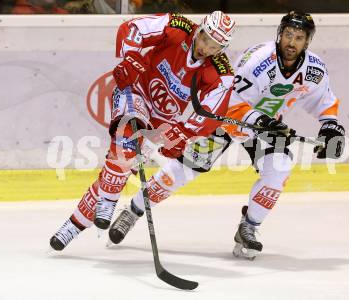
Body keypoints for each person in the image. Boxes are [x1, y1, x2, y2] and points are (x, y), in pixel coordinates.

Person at [107, 10, 345, 260]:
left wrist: (330, 127)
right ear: (280, 34)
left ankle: (249, 228)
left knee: (280, 167)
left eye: (298, 38)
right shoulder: (259, 60)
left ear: (307, 42)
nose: (291, 42)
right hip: (226, 121)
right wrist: (258, 120)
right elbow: (229, 101)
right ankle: (133, 211)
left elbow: (323, 101)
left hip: (266, 127)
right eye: (288, 35)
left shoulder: (314, 69)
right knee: (183, 169)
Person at [50, 11, 247, 251]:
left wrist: (182, 133)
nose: (206, 48)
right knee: (125, 145)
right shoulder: (178, 27)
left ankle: (74, 224)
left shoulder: (221, 72)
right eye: (206, 39)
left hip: (161, 123)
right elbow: (133, 28)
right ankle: (109, 201)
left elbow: (210, 113)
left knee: (119, 169)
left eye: (215, 46)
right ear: (200, 29)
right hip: (135, 92)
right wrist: (130, 58)